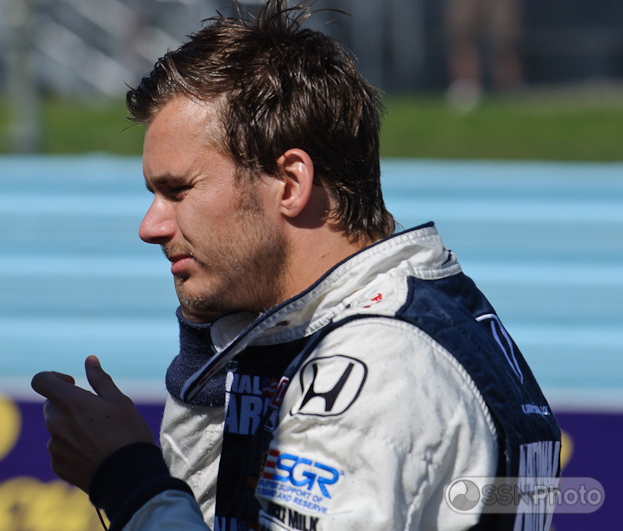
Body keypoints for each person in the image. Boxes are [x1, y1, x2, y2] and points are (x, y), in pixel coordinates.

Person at [31, 1, 561, 529]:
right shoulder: (422, 313)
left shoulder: (375, 370)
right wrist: (204, 355)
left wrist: (126, 478)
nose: (150, 226)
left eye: (178, 190)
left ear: (289, 183)